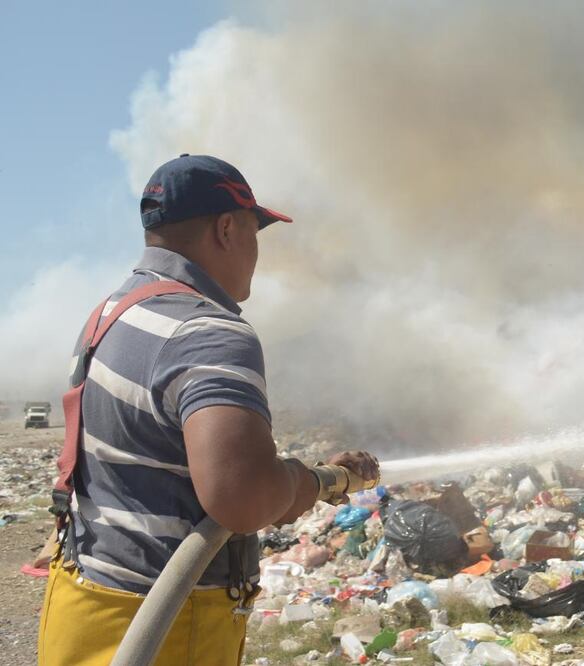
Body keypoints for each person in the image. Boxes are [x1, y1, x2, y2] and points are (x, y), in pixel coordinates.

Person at [37, 154, 379, 665]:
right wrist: (322, 480)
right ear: (226, 228)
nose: (257, 253)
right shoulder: (208, 333)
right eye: (254, 232)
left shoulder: (108, 316)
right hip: (168, 630)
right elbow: (241, 501)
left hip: (83, 606)